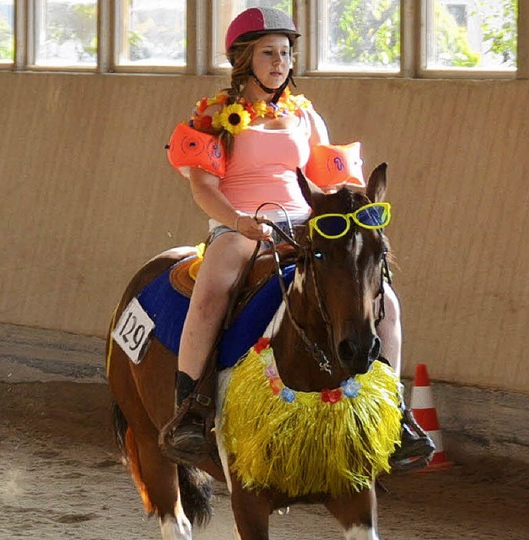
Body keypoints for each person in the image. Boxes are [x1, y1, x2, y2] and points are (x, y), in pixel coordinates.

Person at [160, 7, 433, 468]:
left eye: (285, 53)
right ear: (244, 59)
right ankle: (190, 408)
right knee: (210, 294)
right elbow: (202, 187)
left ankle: (395, 412)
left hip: (305, 226)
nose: (280, 62)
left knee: (384, 298)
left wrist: (354, 212)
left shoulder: (305, 116)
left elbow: (329, 182)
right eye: (269, 53)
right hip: (241, 224)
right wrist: (240, 220)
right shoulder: (211, 116)